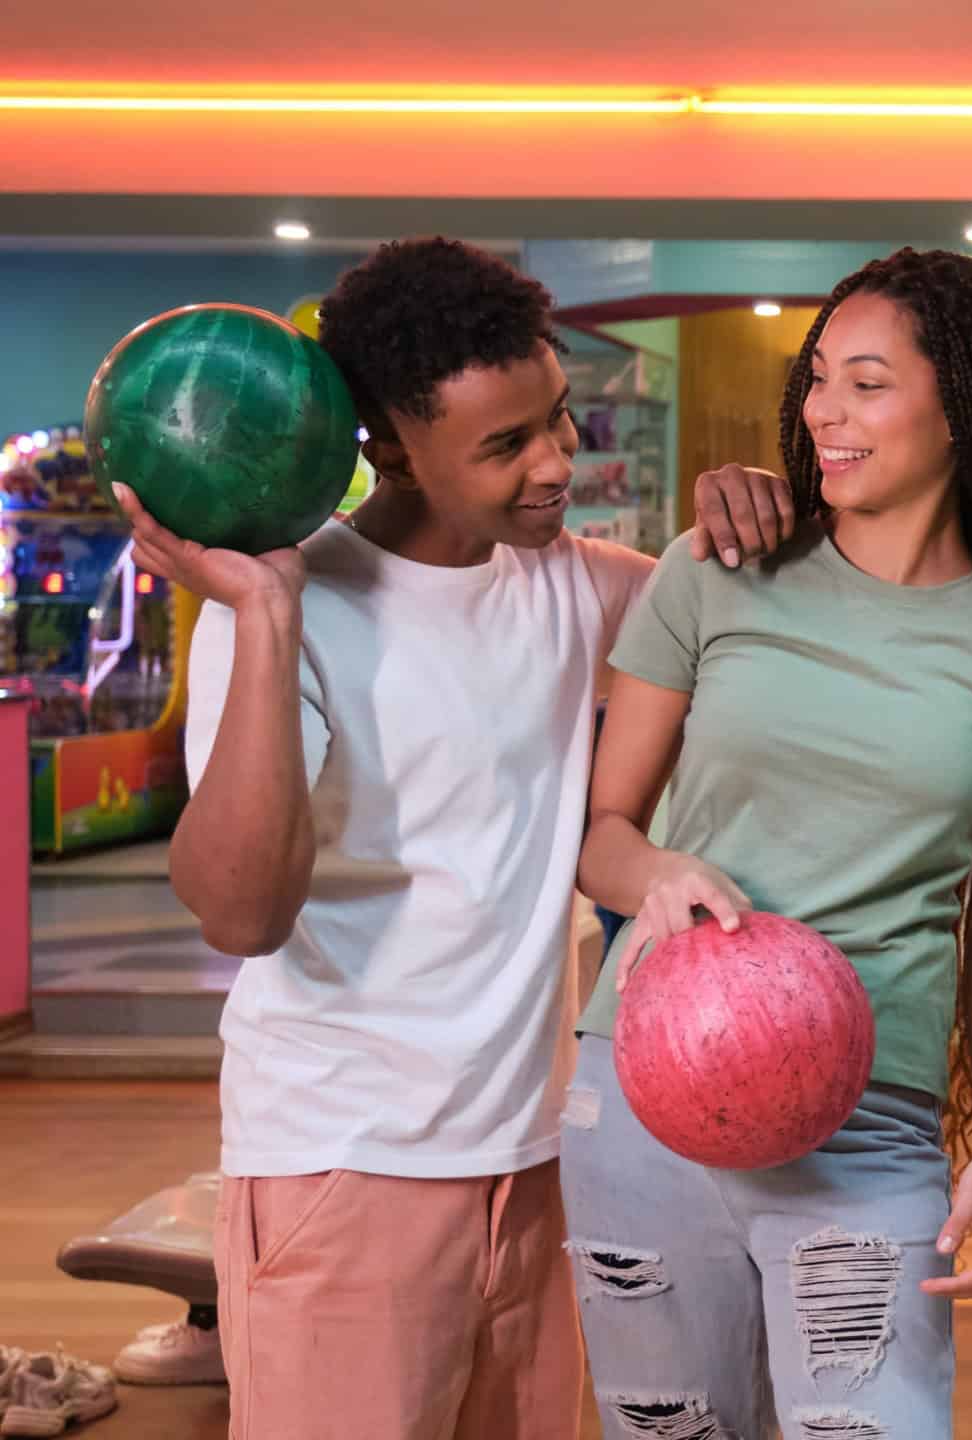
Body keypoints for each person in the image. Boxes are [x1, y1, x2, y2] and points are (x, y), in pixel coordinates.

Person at [123, 237, 785, 1440]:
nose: (555, 465)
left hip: (536, 1164)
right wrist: (267, 617)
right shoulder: (285, 610)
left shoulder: (574, 586)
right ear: (385, 444)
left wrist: (732, 502)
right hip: (344, 1166)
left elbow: (730, 607)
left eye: (559, 419)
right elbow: (239, 914)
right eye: (504, 446)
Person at [565, 248, 972, 1440]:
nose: (823, 412)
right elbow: (600, 835)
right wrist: (658, 872)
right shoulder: (717, 571)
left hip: (871, 1116)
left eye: (865, 383)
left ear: (963, 406)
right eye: (816, 380)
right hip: (648, 1089)